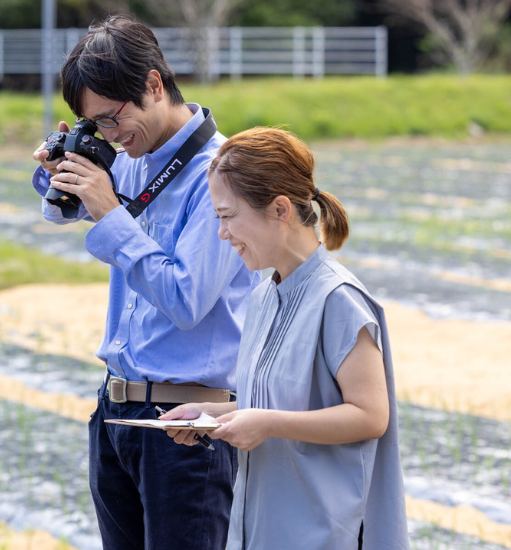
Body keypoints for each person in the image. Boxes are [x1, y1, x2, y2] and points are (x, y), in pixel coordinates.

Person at [30, 15, 260, 550]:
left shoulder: (221, 175)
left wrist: (108, 209)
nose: (111, 136)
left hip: (187, 425)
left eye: (112, 119)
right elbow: (62, 213)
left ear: (153, 85)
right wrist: (61, 170)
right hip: (115, 412)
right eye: (96, 126)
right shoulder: (131, 155)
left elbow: (187, 300)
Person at [162, 127, 409, 550]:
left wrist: (269, 424)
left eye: (226, 216)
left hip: (320, 533)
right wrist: (213, 415)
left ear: (279, 210)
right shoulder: (263, 295)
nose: (222, 233)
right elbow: (283, 403)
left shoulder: (339, 300)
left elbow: (371, 416)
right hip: (258, 530)